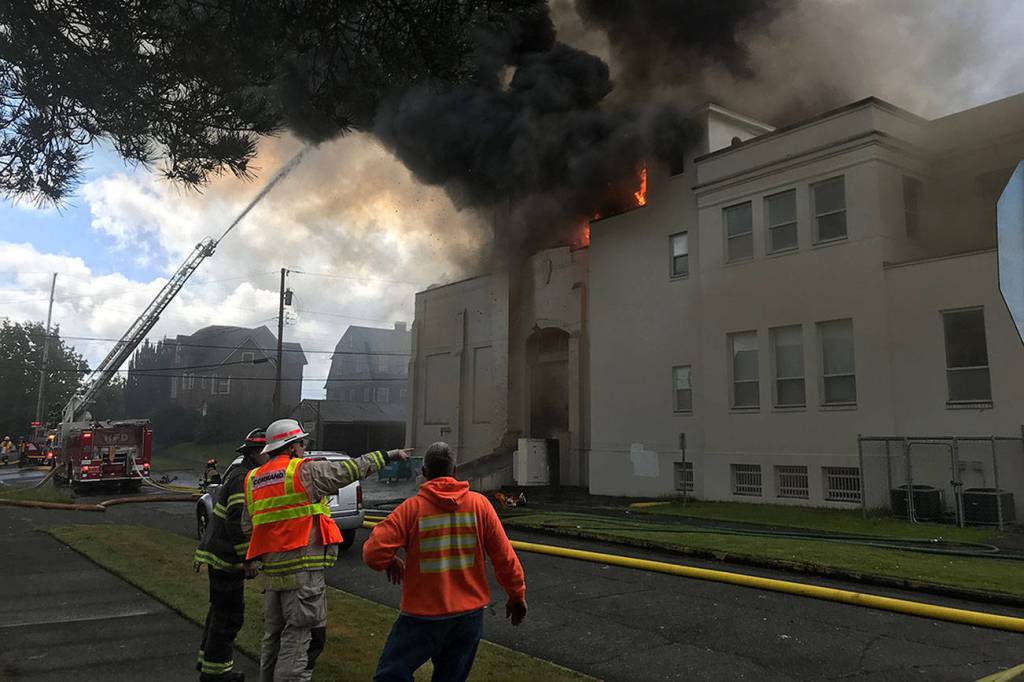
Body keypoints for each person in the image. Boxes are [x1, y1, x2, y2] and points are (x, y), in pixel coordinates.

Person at [242, 418, 412, 681]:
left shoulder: (253, 479)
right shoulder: (303, 472)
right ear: (293, 446)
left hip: (273, 575)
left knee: (273, 639)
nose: (304, 447)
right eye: (302, 443)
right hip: (302, 573)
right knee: (300, 639)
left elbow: (247, 526)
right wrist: (388, 455)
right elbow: (351, 469)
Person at [364, 441, 527, 682]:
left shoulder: (411, 509)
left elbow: (373, 553)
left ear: (424, 473)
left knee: (391, 675)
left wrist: (389, 562)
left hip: (422, 616)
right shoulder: (479, 506)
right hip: (467, 618)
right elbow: (505, 557)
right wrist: (516, 594)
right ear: (455, 471)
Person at [193, 428, 268, 682]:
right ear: (256, 453)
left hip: (221, 555)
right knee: (229, 617)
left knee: (219, 612)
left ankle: (209, 666)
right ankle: (218, 675)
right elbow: (237, 522)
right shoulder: (243, 479)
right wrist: (248, 559)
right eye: (268, 452)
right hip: (226, 558)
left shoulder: (243, 474)